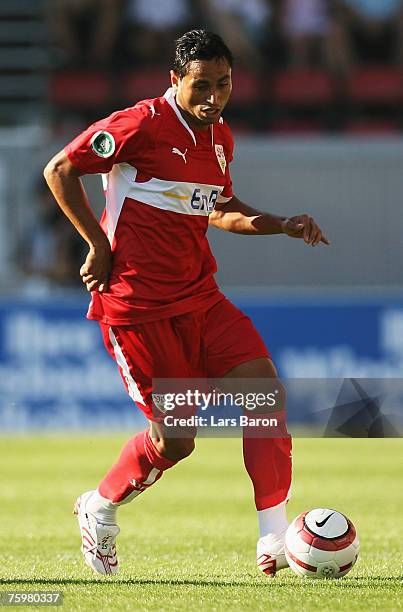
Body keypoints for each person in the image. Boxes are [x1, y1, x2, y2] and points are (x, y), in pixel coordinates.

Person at [44, 29, 329, 578]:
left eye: (224, 84)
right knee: (176, 442)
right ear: (175, 80)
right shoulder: (139, 125)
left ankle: (274, 542)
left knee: (264, 393)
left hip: (202, 297)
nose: (213, 97)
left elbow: (219, 209)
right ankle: (99, 507)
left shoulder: (221, 137)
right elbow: (60, 169)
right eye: (202, 85)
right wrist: (97, 246)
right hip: (138, 307)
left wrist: (281, 225)